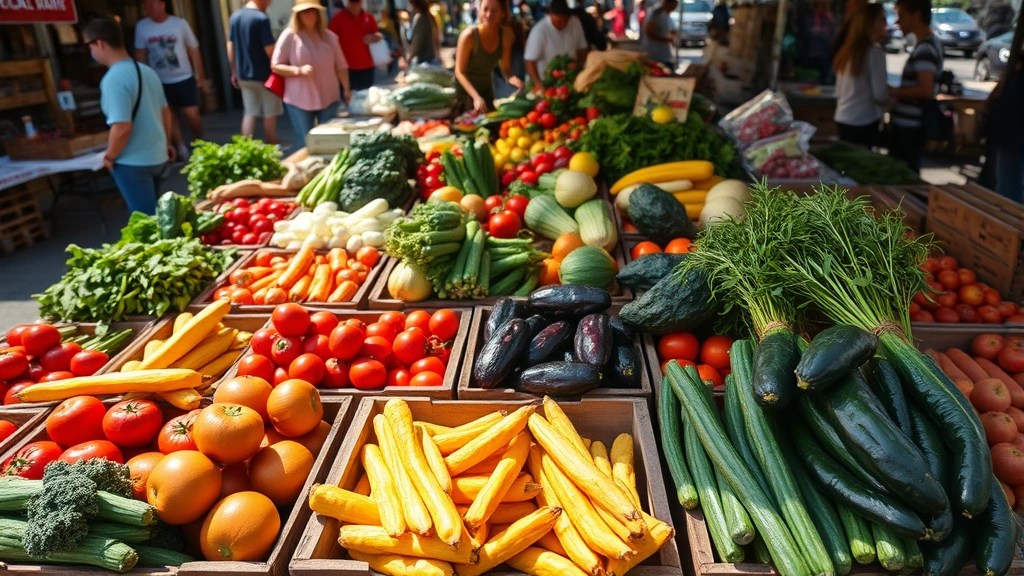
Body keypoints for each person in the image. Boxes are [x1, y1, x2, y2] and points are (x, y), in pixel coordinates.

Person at [85, 18, 173, 215]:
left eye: (89, 46)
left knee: (146, 226)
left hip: (133, 164)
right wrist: (166, 144)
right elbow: (165, 112)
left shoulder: (113, 79)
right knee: (161, 221)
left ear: (99, 43)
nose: (90, 52)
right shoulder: (146, 71)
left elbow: (122, 127)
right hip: (158, 157)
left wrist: (109, 156)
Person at [272, 0, 351, 148]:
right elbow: (275, 65)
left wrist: (346, 88)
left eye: (311, 11)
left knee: (329, 142)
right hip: (299, 99)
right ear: (297, 16)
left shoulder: (330, 37)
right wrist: (298, 70)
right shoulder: (289, 35)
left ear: (318, 13)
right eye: (304, 12)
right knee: (307, 143)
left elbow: (341, 66)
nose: (308, 15)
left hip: (329, 96)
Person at [134, 0, 204, 161]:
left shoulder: (179, 24)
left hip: (183, 76)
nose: (147, 8)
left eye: (150, 4)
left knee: (192, 114)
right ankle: (180, 148)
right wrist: (143, 79)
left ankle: (199, 141)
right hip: (159, 80)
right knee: (169, 115)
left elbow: (193, 49)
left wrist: (200, 75)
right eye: (145, 5)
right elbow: (140, 54)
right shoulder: (142, 27)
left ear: (162, 4)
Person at [889, 0, 942, 172]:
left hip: (909, 128)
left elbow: (926, 91)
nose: (897, 22)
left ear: (917, 15)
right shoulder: (926, 44)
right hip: (908, 125)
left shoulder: (925, 49)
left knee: (904, 175)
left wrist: (894, 92)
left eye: (901, 15)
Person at [832, 3, 888, 148]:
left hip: (843, 117)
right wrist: (894, 99)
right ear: (871, 22)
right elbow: (880, 94)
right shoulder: (875, 53)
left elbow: (839, 91)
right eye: (882, 19)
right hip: (864, 120)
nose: (886, 23)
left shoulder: (846, 52)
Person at [228, 0, 282, 144]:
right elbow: (269, 49)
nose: (270, 2)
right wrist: (280, 67)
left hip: (243, 74)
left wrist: (233, 70)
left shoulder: (235, 16)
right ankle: (271, 141)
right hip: (264, 74)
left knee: (250, 111)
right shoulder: (261, 19)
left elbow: (230, 45)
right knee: (271, 110)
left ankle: (246, 146)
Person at [454, 0, 523, 112]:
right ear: (479, 10)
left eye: (494, 11)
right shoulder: (469, 36)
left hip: (486, 92)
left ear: (503, 13)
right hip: (465, 95)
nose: (489, 15)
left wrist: (513, 79)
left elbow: (506, 68)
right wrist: (475, 97)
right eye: (485, 9)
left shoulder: (506, 35)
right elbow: (459, 72)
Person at [987, 45, 1023, 202]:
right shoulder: (1016, 77)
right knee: (1007, 188)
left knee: (1007, 189)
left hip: (1010, 136)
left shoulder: (1017, 76)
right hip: (1011, 135)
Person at [524, 0, 589, 88]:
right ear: (550, 15)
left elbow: (582, 49)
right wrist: (538, 84)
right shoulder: (539, 31)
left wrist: (579, 66)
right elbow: (530, 61)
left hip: (571, 77)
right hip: (547, 81)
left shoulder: (575, 22)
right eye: (559, 21)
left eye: (565, 20)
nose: (562, 24)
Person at [328, 0, 383, 91]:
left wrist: (376, 37)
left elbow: (378, 35)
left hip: (367, 67)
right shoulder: (338, 18)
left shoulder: (369, 17)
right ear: (347, 2)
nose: (355, 4)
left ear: (362, 2)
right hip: (346, 68)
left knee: (367, 99)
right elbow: (330, 41)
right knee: (350, 101)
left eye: (357, 1)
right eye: (352, 1)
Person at [800, 0, 836, 83]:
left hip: (825, 57)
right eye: (820, 4)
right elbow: (803, 35)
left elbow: (833, 35)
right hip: (808, 56)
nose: (823, 7)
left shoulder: (829, 18)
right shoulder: (808, 18)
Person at [642, 0, 678, 68]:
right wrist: (666, 40)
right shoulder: (656, 13)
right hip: (656, 57)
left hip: (664, 56)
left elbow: (672, 30)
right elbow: (649, 31)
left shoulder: (666, 14)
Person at [406, 0, 438, 65]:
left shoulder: (420, 18)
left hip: (424, 60)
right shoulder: (428, 16)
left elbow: (416, 42)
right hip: (431, 57)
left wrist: (409, 59)